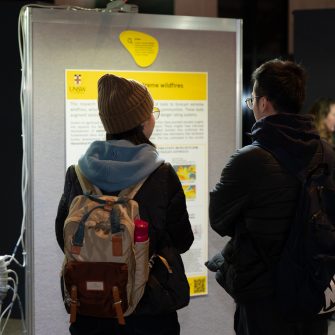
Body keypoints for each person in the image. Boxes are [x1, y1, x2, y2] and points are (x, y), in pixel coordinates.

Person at [55, 74, 194, 335]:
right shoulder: (161, 174)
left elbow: (63, 237)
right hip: (148, 310)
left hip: (90, 308)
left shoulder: (78, 173)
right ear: (141, 122)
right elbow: (182, 240)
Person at [208, 59, 331, 335]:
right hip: (313, 286)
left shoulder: (248, 160)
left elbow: (219, 220)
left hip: (262, 293)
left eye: (253, 100)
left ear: (264, 103)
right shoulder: (327, 154)